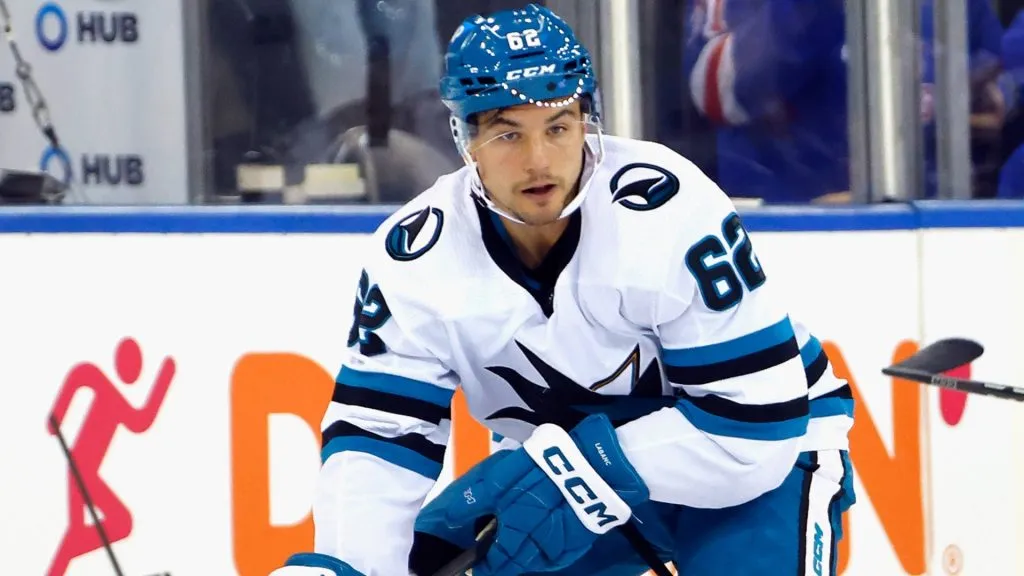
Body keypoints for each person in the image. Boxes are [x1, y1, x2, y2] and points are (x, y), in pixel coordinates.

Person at [272, 4, 855, 575]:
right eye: (507, 134)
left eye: (558, 126)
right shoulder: (415, 259)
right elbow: (382, 432)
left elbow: (754, 429)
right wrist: (350, 566)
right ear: (464, 138)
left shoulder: (668, 212)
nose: (539, 161)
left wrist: (570, 474)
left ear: (586, 121)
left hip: (761, 456)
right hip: (570, 465)